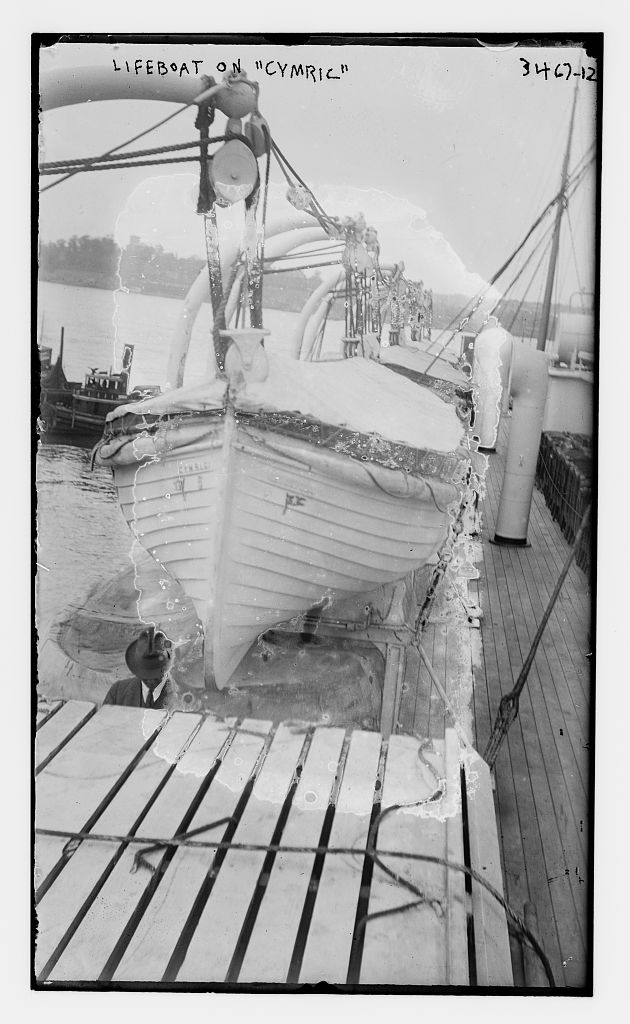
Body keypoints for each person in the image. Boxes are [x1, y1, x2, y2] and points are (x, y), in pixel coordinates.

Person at [103, 627, 173, 709]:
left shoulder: (181, 698)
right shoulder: (117, 692)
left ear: (167, 666)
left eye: (155, 674)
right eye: (145, 674)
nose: (150, 680)